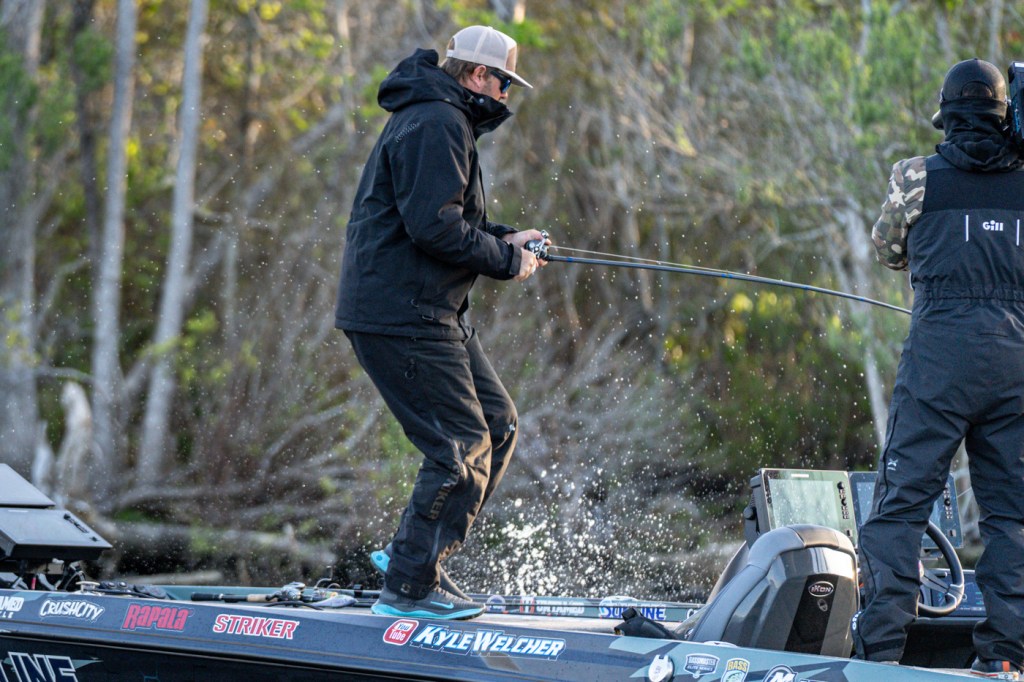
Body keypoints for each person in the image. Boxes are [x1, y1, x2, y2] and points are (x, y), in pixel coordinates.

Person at [334, 25, 547, 621]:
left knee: (497, 426)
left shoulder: (438, 117)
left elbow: (446, 215)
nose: (505, 95)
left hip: (430, 310)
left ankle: (413, 558)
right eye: (504, 83)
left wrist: (509, 237)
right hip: (403, 314)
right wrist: (507, 260)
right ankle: (408, 588)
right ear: (478, 75)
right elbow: (433, 228)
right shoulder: (436, 121)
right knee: (460, 447)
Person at [855, 58, 1024, 678]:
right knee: (1012, 517)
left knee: (901, 506)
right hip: (1016, 366)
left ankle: (880, 654)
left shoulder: (915, 177)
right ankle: (1004, 657)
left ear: (947, 118)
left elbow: (887, 248)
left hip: (938, 364)